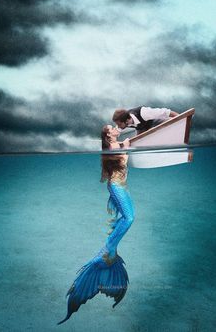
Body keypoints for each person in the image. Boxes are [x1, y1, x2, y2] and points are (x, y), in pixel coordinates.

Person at [57, 125, 134, 325]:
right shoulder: (113, 146)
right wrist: (127, 143)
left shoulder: (116, 143)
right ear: (108, 135)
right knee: (129, 219)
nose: (117, 128)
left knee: (127, 218)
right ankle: (107, 251)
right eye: (113, 128)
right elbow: (121, 148)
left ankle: (110, 253)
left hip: (119, 185)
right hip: (117, 186)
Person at [113, 106, 179, 134]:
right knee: (138, 140)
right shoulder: (123, 122)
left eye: (119, 124)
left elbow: (166, 112)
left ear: (127, 121)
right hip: (141, 127)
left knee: (168, 121)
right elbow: (116, 132)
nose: (118, 126)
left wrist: (182, 117)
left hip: (153, 121)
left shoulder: (144, 112)